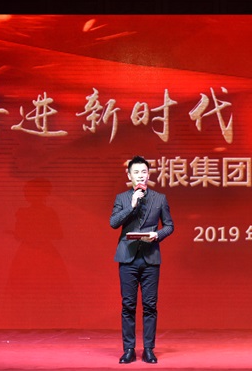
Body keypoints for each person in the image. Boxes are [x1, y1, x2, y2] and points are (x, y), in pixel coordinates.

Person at [110, 156, 174, 364]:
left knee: (150, 305)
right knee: (128, 305)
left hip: (150, 258)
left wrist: (158, 235)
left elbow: (169, 226)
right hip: (127, 258)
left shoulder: (159, 198)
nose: (140, 176)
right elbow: (113, 223)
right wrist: (132, 205)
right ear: (129, 175)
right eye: (136, 172)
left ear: (149, 175)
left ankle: (148, 349)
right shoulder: (122, 198)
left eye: (144, 172)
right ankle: (129, 349)